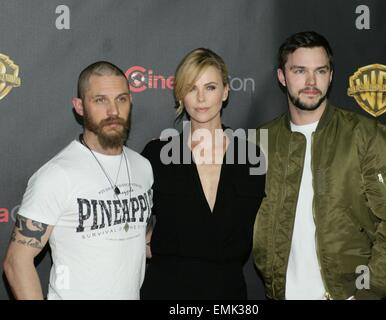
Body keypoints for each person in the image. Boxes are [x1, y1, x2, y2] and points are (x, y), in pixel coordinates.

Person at [252, 31, 386, 300]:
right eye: (299, 70)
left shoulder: (367, 136)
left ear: (331, 76)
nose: (311, 81)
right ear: (282, 77)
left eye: (320, 71)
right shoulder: (260, 142)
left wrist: (366, 294)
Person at [3, 61, 153, 300]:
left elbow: (137, 238)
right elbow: (16, 262)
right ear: (80, 106)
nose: (113, 111)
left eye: (121, 99)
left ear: (130, 102)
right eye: (100, 100)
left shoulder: (142, 167)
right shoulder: (56, 175)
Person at [141, 48, 266, 299]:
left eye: (210, 87)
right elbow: (132, 217)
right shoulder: (157, 154)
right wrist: (145, 240)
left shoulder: (251, 156)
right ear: (180, 95)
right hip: (167, 290)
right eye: (191, 88)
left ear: (226, 91)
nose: (200, 98)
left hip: (228, 292)